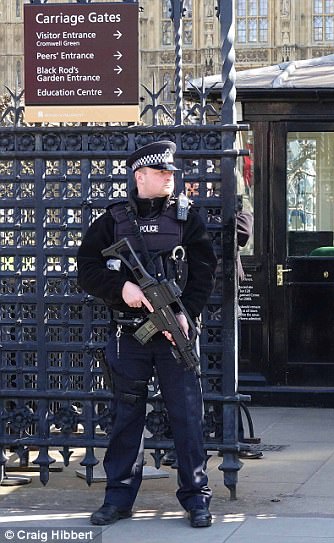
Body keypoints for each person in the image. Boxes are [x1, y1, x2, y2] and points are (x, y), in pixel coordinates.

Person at [77, 141, 217, 528]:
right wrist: (122, 289)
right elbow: (86, 268)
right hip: (129, 334)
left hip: (176, 334)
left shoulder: (188, 218)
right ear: (140, 176)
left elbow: (205, 270)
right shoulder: (112, 221)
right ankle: (118, 497)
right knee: (126, 416)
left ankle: (196, 497)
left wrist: (185, 314)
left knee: (187, 417)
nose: (170, 178)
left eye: (172, 173)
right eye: (161, 173)